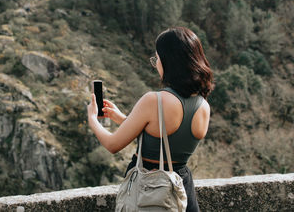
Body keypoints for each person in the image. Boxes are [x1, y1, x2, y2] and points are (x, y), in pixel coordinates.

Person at [86, 27, 214, 212]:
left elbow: (112, 144)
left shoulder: (155, 100)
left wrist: (93, 119)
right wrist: (122, 118)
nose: (156, 65)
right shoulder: (203, 106)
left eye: (157, 59)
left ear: (169, 61)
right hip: (182, 190)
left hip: (150, 189)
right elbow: (164, 136)